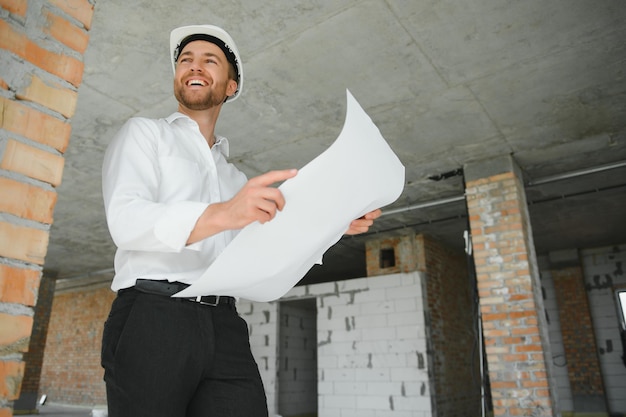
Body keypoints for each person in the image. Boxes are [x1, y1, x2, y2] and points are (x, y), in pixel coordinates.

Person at [100, 24, 381, 417]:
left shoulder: (235, 180)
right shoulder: (146, 135)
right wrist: (225, 213)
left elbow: (264, 256)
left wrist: (333, 224)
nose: (193, 66)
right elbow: (126, 221)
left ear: (231, 86)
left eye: (209, 60)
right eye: (185, 60)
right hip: (152, 316)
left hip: (224, 323)